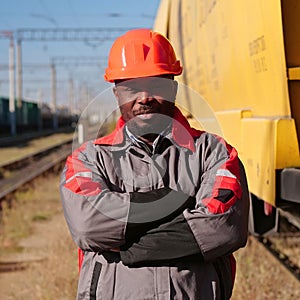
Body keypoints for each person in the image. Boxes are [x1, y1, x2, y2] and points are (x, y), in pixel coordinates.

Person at [60, 28, 249, 300]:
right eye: (132, 88)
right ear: (117, 94)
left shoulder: (215, 153)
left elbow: (222, 227)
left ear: (172, 89)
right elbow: (88, 224)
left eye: (156, 85)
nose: (144, 97)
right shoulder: (88, 159)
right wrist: (173, 202)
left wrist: (130, 246)